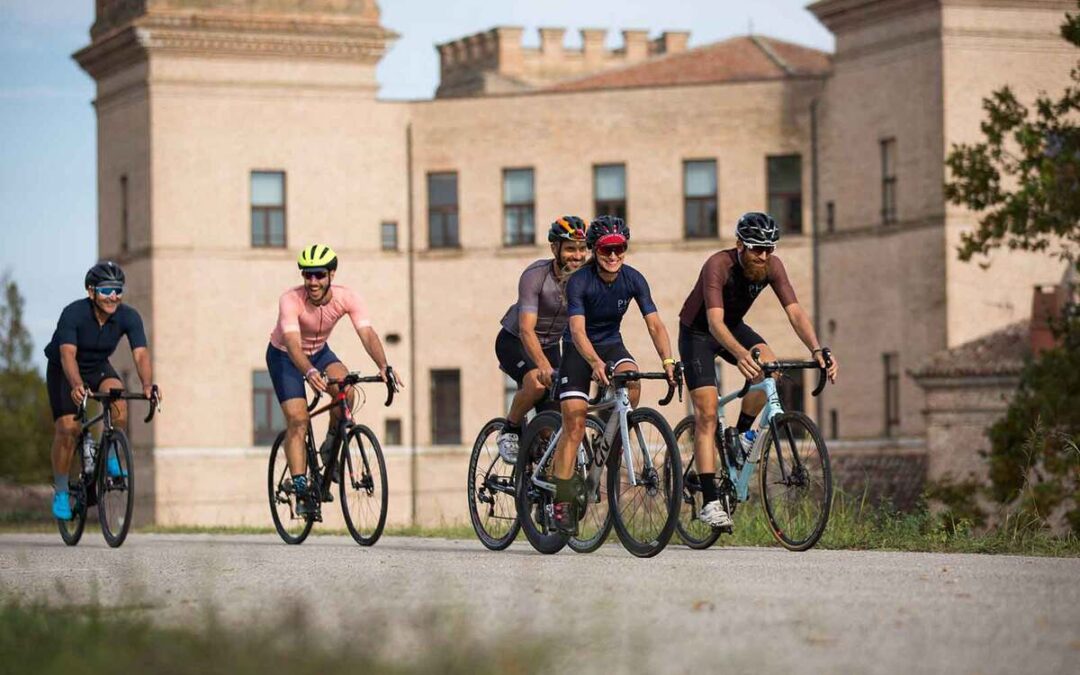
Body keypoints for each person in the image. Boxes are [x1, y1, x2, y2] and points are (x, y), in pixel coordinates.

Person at [677, 212, 839, 528]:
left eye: (769, 249)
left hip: (733, 326)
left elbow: (794, 313)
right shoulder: (718, 265)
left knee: (770, 366)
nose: (763, 256)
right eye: (756, 249)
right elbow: (714, 323)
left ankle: (740, 436)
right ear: (740, 245)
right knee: (708, 413)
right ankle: (710, 502)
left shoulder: (772, 267)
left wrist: (816, 349)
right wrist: (739, 355)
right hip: (699, 333)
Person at [550, 215, 677, 535]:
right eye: (606, 250)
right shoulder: (580, 281)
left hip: (611, 345)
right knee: (574, 423)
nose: (613, 256)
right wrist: (593, 362)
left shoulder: (633, 278)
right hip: (580, 351)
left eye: (620, 249)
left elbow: (655, 324)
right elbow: (577, 331)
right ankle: (561, 502)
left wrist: (669, 361)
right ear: (594, 250)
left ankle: (612, 440)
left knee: (632, 380)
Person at [267, 244, 401, 515]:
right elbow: (293, 345)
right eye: (307, 275)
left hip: (319, 352)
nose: (313, 282)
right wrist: (310, 372)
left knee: (347, 391)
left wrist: (384, 366)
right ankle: (301, 486)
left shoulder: (347, 297)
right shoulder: (290, 300)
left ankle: (330, 445)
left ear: (331, 274)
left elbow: (367, 333)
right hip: (285, 358)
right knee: (298, 419)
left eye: (319, 275)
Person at [44, 261, 160, 520]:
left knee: (118, 399)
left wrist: (147, 385)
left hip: (97, 366)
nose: (113, 296)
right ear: (91, 291)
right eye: (106, 290)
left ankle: (110, 452)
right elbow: (67, 355)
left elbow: (140, 355)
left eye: (118, 290)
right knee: (68, 429)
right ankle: (62, 490)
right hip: (65, 370)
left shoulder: (129, 316)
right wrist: (76, 385)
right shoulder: (73, 314)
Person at [494, 216, 589, 463]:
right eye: (570, 249)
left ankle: (536, 484)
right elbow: (526, 330)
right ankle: (510, 429)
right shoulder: (536, 275)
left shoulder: (587, 280)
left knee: (552, 428)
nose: (577, 256)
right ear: (554, 249)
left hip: (551, 346)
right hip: (515, 341)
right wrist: (543, 365)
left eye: (582, 249)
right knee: (536, 383)